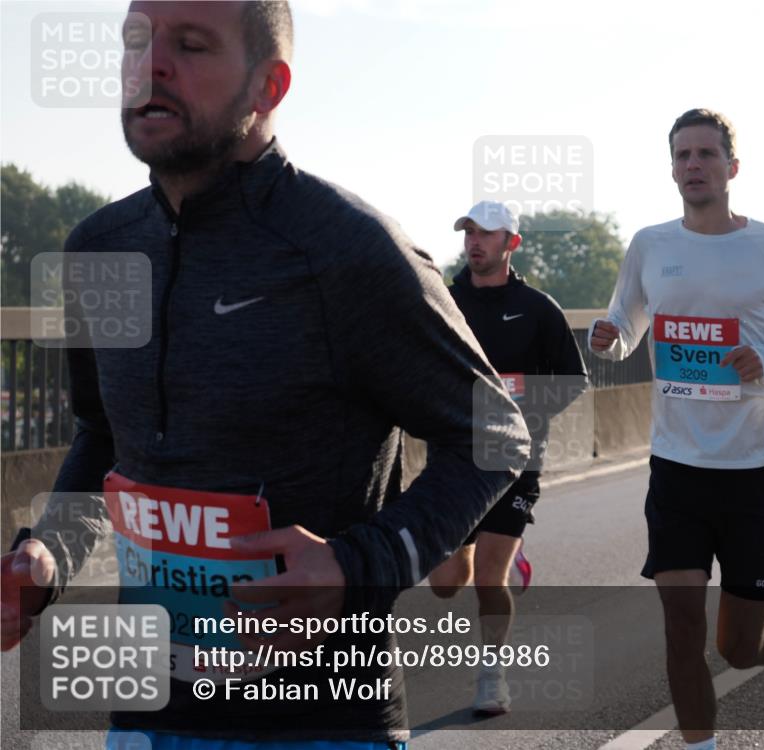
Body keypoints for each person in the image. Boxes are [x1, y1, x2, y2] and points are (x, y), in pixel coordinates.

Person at [0, 2, 530, 749]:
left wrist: (354, 566)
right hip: (144, 719)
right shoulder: (97, 250)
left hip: (321, 727)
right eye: (134, 42)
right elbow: (103, 436)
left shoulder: (348, 249)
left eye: (190, 45)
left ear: (268, 86)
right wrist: (48, 553)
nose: (149, 65)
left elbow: (495, 434)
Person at [589, 109, 764, 749]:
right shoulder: (650, 244)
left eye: (705, 154)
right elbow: (624, 330)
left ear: (732, 167)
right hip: (677, 464)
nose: (693, 165)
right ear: (671, 168)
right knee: (680, 626)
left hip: (753, 466)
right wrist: (607, 340)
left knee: (738, 646)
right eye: (682, 155)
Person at [427, 200, 588, 715]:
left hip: (515, 460)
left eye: (487, 234)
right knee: (448, 585)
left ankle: (491, 679)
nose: (475, 241)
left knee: (489, 579)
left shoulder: (539, 308)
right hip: (453, 459)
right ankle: (488, 549)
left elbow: (574, 379)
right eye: (469, 231)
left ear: (511, 243)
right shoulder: (442, 302)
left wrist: (521, 402)